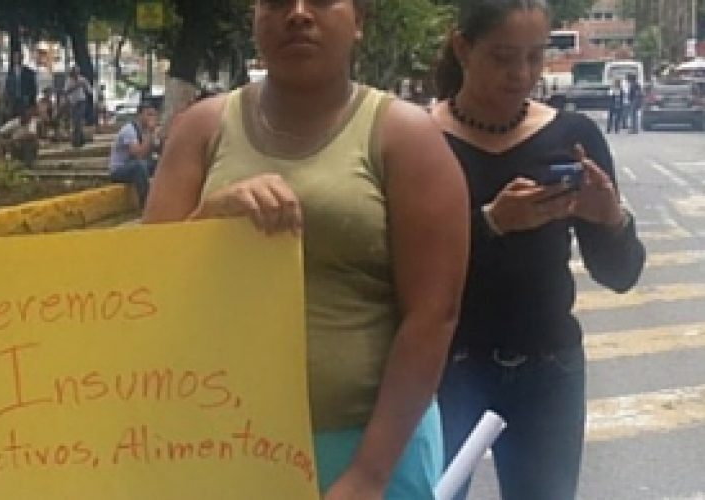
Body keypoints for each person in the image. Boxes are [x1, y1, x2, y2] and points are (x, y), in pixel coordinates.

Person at [144, 0, 470, 497]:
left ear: (359, 19)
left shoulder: (405, 136)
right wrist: (210, 220)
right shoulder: (201, 131)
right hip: (224, 446)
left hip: (366, 448)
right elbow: (145, 295)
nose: (297, 13)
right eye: (275, 2)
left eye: (320, 0)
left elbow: (432, 314)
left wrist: (369, 473)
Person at [430, 1, 646, 499]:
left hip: (549, 369)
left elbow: (621, 275)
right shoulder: (420, 137)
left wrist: (609, 220)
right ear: (463, 47)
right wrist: (491, 223)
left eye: (534, 57)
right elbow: (399, 266)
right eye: (503, 57)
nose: (521, 74)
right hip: (446, 367)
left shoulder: (573, 136)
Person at [107, 101, 160, 207]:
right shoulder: (129, 130)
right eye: (148, 114)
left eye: (153, 115)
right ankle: (146, 203)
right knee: (139, 166)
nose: (152, 117)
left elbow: (158, 150)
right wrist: (150, 133)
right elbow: (138, 154)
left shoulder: (148, 130)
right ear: (140, 115)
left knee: (163, 163)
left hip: (138, 166)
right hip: (120, 170)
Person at [64, 65, 93, 148]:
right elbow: (66, 91)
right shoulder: (69, 81)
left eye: (77, 72)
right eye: (74, 72)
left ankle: (77, 140)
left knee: (78, 119)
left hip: (81, 101)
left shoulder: (83, 79)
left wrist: (84, 87)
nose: (76, 74)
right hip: (73, 102)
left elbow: (89, 90)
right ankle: (80, 140)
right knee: (75, 122)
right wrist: (75, 86)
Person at [4, 49, 37, 119]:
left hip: (25, 102)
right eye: (15, 57)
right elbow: (7, 88)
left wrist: (29, 99)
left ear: (22, 58)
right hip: (13, 103)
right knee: (13, 122)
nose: (16, 59)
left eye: (18, 57)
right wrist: (8, 101)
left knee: (25, 121)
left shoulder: (29, 72)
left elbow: (33, 88)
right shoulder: (10, 73)